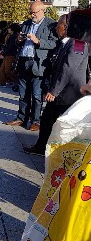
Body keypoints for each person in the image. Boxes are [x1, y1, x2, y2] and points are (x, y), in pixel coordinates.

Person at [24, 14, 89, 155]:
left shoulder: (78, 43)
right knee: (47, 120)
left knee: (64, 126)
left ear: (65, 27)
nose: (55, 28)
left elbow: (69, 69)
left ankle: (59, 154)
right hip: (60, 93)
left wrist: (54, 91)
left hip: (69, 93)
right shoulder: (65, 42)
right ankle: (41, 147)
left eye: (58, 25)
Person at [4, 1, 58, 132]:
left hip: (38, 63)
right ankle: (21, 118)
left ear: (42, 11)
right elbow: (17, 43)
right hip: (23, 61)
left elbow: (55, 44)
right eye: (31, 12)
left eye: (34, 12)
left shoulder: (51, 24)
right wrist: (19, 40)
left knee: (36, 94)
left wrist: (38, 41)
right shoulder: (26, 24)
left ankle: (36, 121)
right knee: (23, 93)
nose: (32, 15)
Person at [0, 23, 20, 87]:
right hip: (9, 54)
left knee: (7, 70)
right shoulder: (11, 36)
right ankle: (1, 82)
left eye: (9, 28)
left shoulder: (13, 36)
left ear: (12, 29)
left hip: (10, 54)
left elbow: (10, 47)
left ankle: (17, 81)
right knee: (3, 69)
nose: (8, 29)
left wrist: (3, 53)